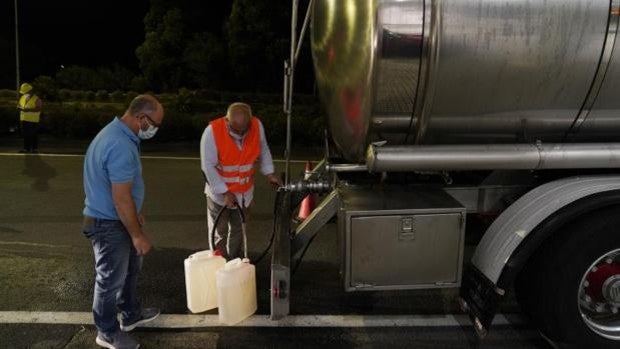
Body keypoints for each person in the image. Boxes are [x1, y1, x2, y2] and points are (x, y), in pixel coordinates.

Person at [82, 94, 164, 349]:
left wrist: (133, 216)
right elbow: (121, 198)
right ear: (141, 118)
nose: (156, 130)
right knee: (109, 280)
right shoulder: (119, 144)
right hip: (108, 224)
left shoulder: (118, 134)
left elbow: (115, 190)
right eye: (155, 124)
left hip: (117, 218)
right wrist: (137, 234)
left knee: (129, 271)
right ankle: (106, 332)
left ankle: (130, 313)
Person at [200, 102, 282, 259]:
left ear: (250, 122)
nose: (240, 133)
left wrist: (270, 173)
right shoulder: (212, 132)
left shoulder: (257, 126)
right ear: (227, 120)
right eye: (235, 130)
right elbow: (207, 166)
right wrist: (224, 191)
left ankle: (234, 262)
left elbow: (263, 149)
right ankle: (218, 263)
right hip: (219, 195)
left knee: (239, 229)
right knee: (220, 232)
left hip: (245, 193)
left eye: (244, 129)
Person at [17, 82, 43, 153]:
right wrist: (19, 108)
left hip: (33, 120)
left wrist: (27, 110)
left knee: (33, 134)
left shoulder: (36, 99)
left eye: (26, 91)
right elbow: (19, 105)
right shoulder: (23, 97)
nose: (24, 93)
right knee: (26, 135)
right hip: (24, 119)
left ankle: (34, 149)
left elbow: (39, 108)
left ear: (30, 90)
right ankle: (26, 148)